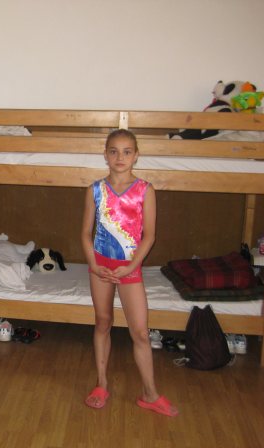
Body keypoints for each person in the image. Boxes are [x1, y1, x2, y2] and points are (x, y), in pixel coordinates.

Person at [80, 129, 178, 417]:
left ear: (136, 155)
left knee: (141, 332)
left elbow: (149, 236)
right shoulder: (95, 190)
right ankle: (101, 384)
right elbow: (85, 233)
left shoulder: (145, 190)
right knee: (103, 322)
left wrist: (131, 267)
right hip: (100, 265)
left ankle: (150, 393)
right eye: (113, 151)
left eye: (126, 152)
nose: (119, 157)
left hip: (129, 267)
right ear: (105, 155)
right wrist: (94, 264)